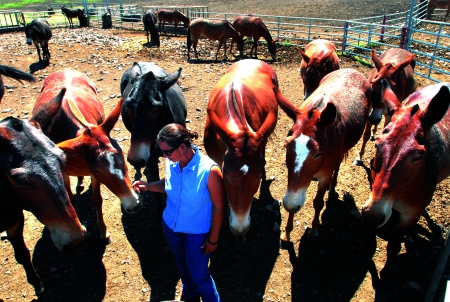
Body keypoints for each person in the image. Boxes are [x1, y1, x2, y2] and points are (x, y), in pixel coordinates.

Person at [132, 123, 224, 302]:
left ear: (182, 147)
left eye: (167, 152)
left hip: (197, 235)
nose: (164, 156)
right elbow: (169, 184)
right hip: (171, 229)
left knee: (200, 276)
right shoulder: (171, 162)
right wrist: (149, 186)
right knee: (183, 268)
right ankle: (189, 295)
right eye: (162, 153)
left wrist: (213, 238)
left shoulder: (209, 171)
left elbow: (219, 206)